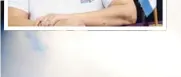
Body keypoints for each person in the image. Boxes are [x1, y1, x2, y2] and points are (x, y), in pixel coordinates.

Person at [8, 0, 137, 26]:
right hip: (42, 54)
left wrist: (71, 19)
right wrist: (53, 26)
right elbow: (11, 19)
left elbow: (128, 12)